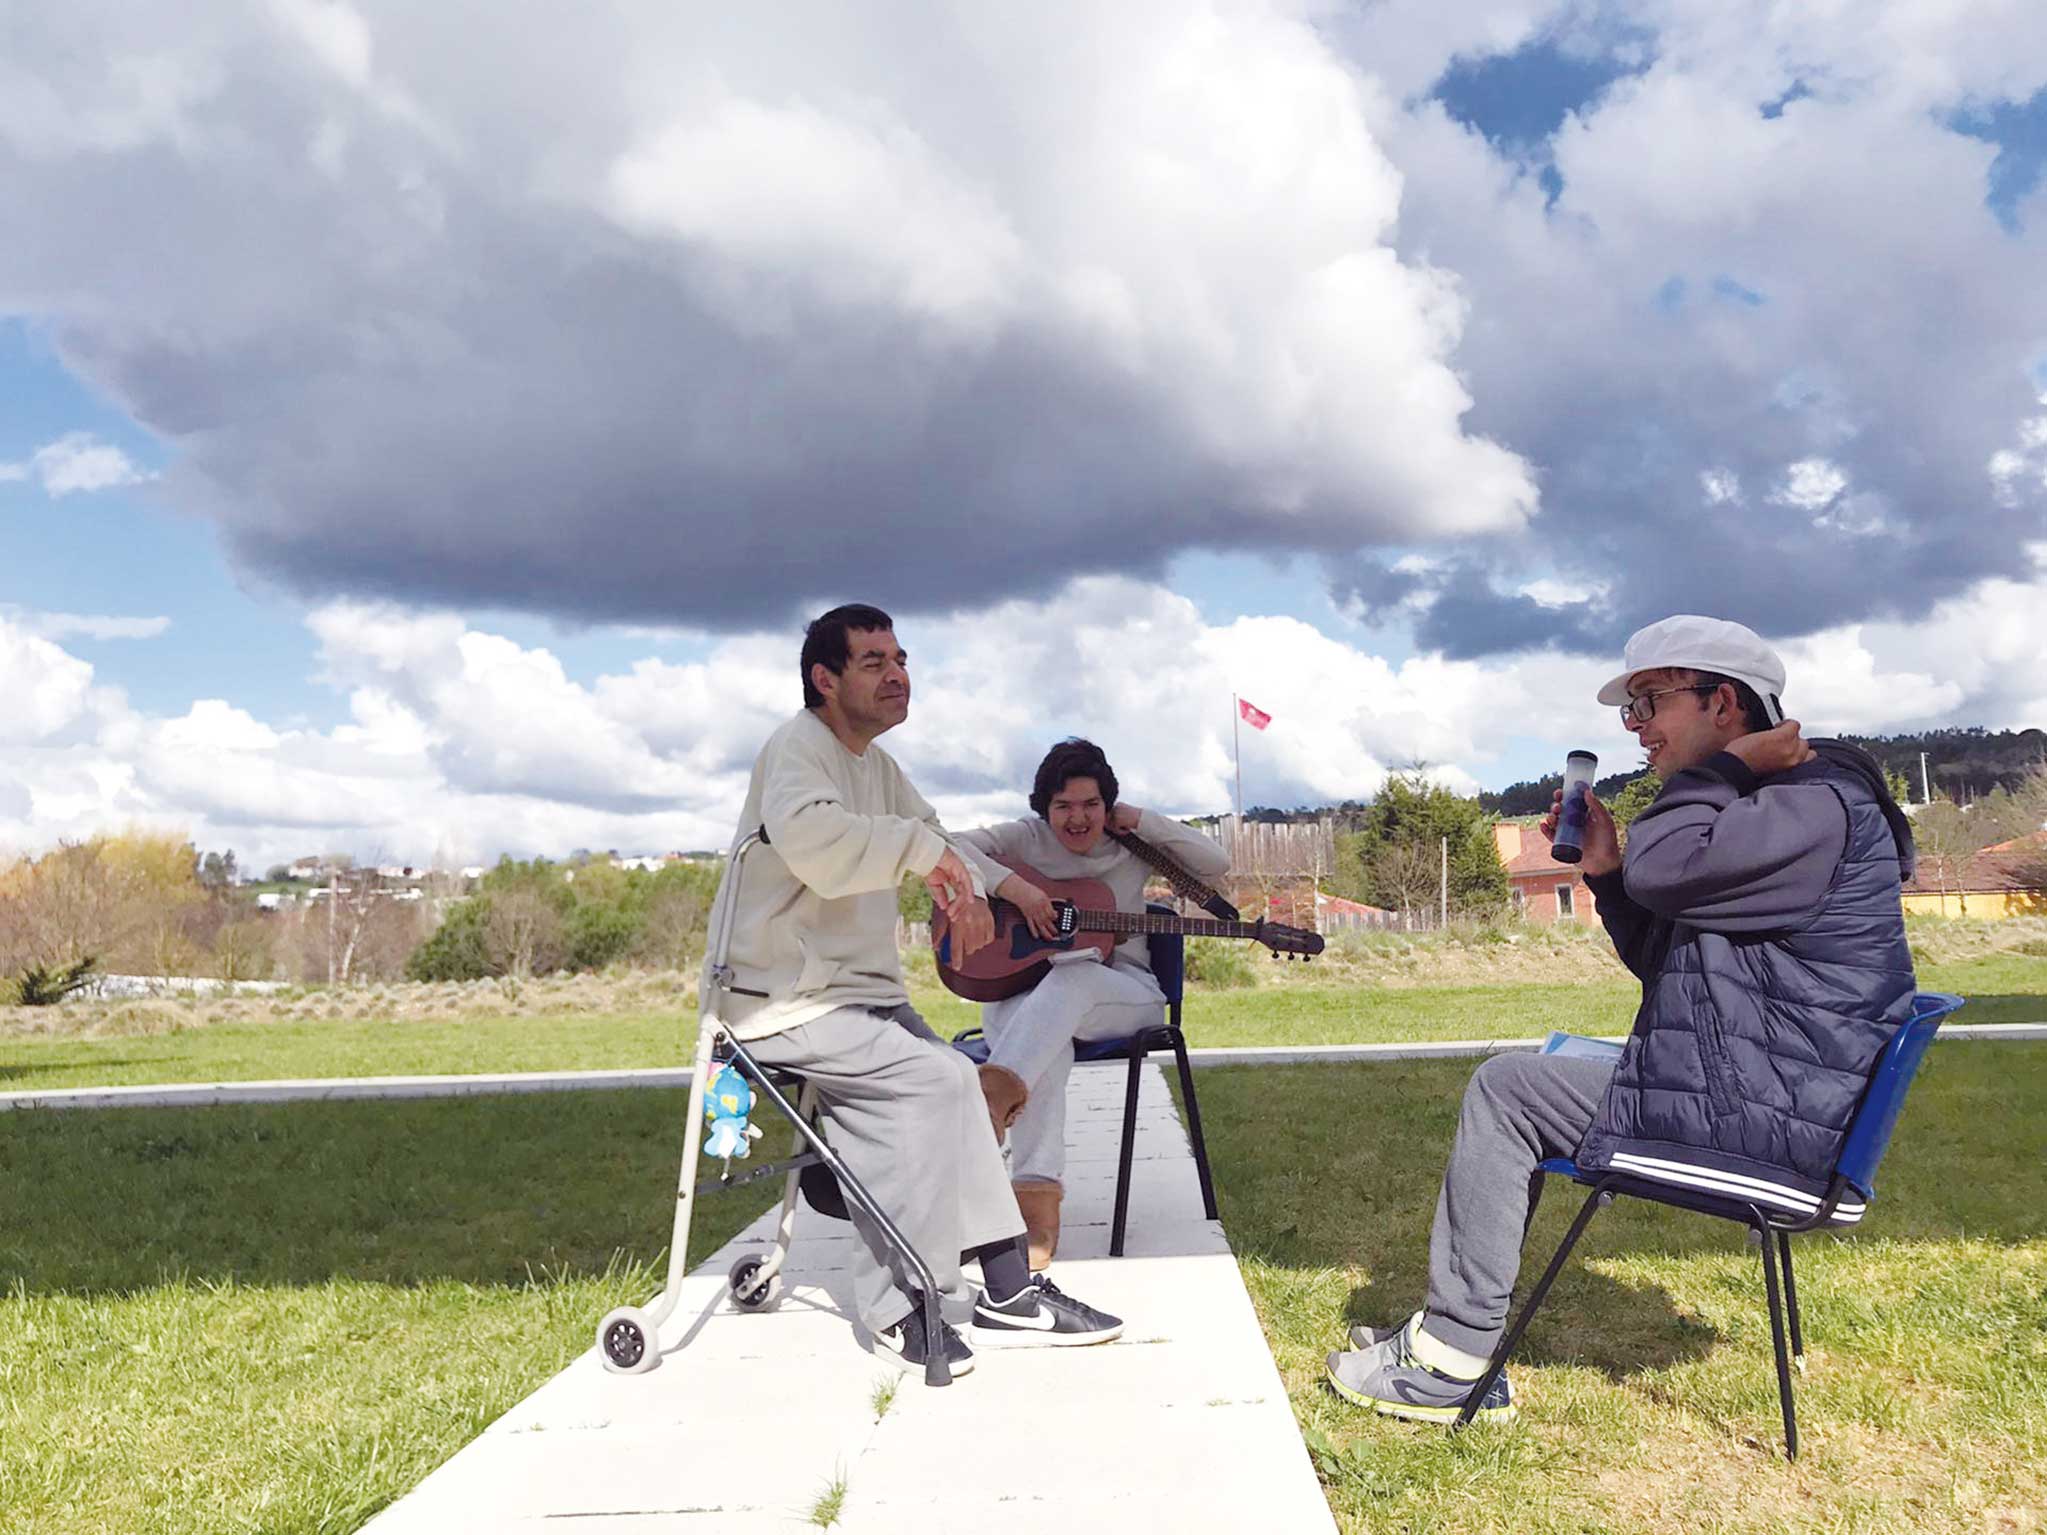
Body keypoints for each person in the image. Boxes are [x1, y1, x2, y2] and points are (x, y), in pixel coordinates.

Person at [1323, 614, 1917, 1424]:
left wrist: (1721, 773)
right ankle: (1446, 1336)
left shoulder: (1808, 808)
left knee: (1508, 1090)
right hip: (1767, 1093)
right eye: (1628, 711)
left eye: (1648, 702)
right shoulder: (1778, 807)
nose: (1635, 729)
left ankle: (1450, 1362)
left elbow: (1669, 867)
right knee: (1538, 1073)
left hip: (1769, 1120)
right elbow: (1667, 956)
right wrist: (1604, 869)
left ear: (1722, 702)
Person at [704, 604, 1124, 1379]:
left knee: (964, 1085)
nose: (897, 674)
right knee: (934, 1082)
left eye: (901, 658)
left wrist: (1008, 889)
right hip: (779, 1003)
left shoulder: (875, 764)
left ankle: (1007, 1287)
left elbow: (940, 836)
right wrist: (931, 862)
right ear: (824, 680)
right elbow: (823, 850)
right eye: (873, 662)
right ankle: (907, 1304)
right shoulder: (799, 751)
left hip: (852, 996)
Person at [956, 739, 1233, 1269]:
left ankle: (989, 1106)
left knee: (1076, 976)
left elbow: (1214, 862)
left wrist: (1140, 819)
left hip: (1123, 993)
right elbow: (941, 842)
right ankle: (1035, 1208)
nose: (1078, 818)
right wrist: (1018, 891)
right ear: (1044, 808)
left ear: (1107, 805)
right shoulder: (1023, 839)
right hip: (1027, 994)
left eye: (1091, 804)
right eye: (1063, 806)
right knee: (1045, 1036)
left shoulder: (1129, 843)